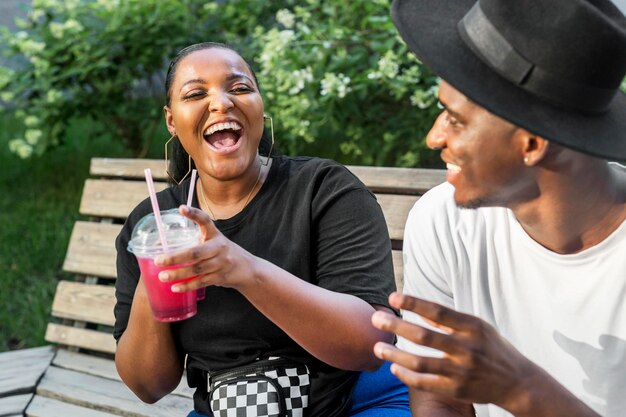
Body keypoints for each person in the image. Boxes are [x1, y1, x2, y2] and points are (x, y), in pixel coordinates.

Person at [113, 42, 409, 416]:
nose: (221, 103)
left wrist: (243, 270)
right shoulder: (153, 222)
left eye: (239, 88)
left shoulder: (324, 190)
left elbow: (370, 345)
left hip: (352, 403)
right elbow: (148, 386)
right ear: (172, 120)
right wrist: (152, 276)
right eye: (196, 93)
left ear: (259, 105)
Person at [370, 0, 626, 416]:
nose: (434, 138)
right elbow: (440, 399)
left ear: (532, 143)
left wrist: (521, 388)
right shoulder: (443, 221)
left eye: (455, 119)